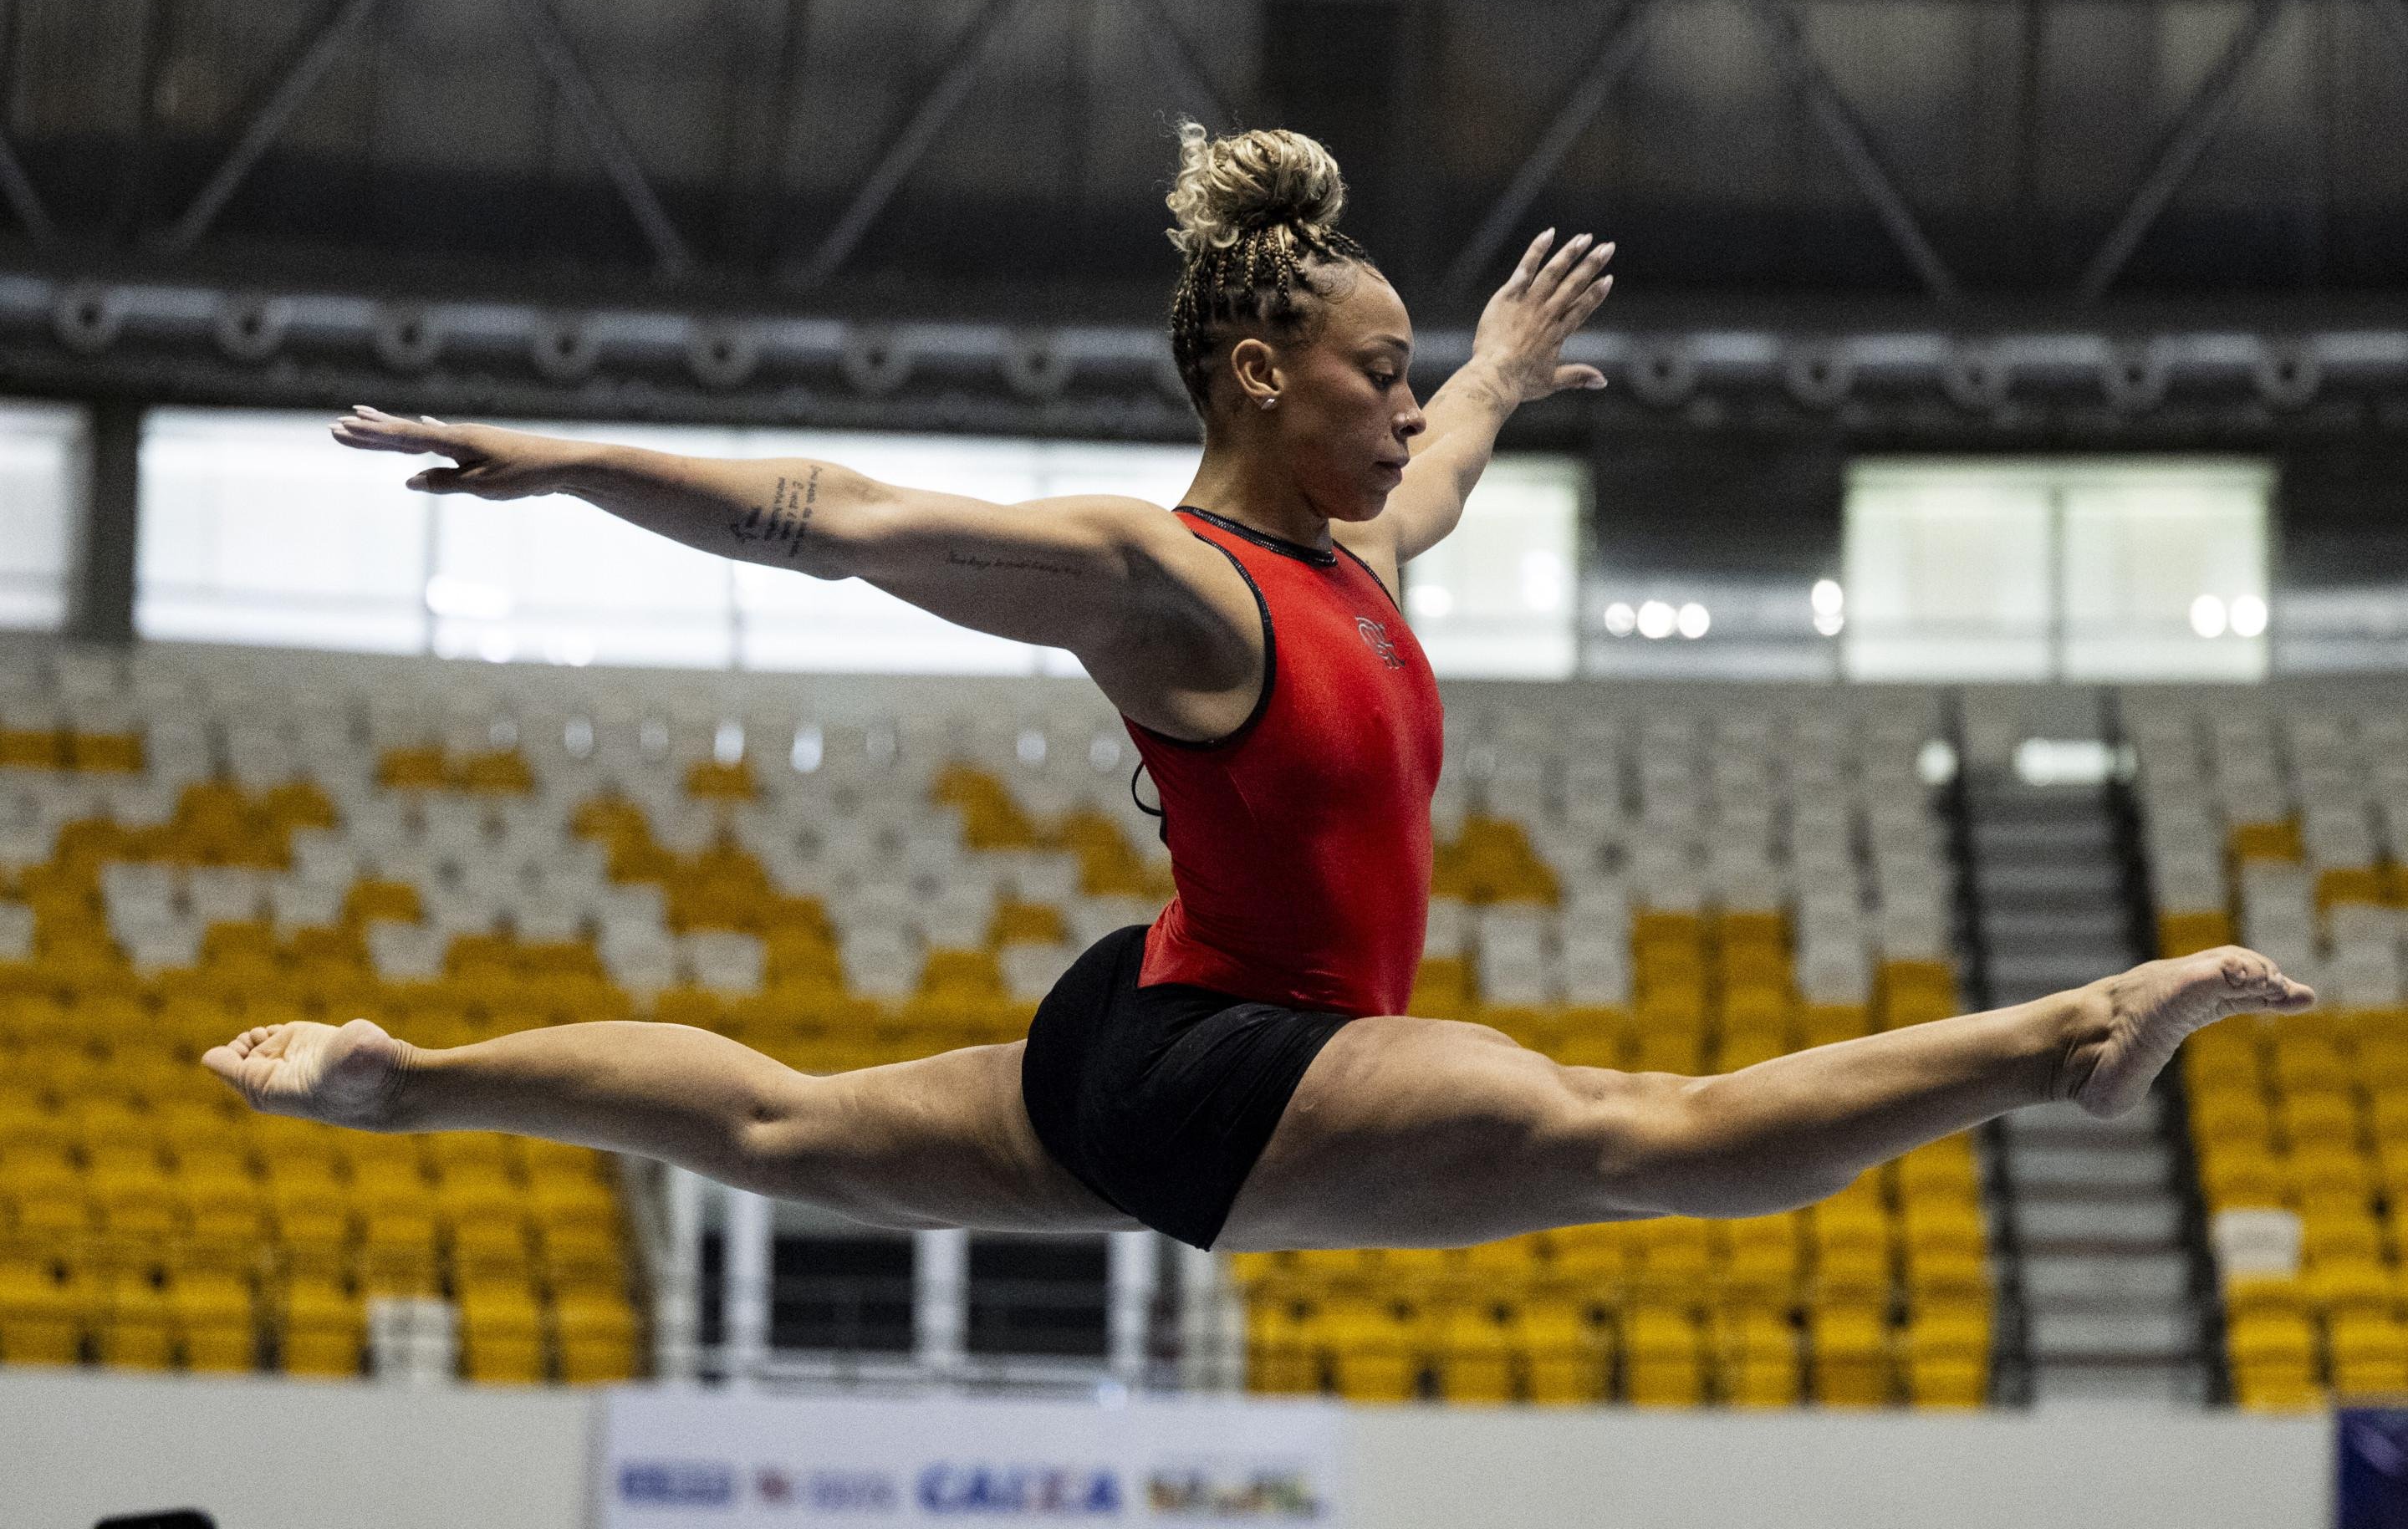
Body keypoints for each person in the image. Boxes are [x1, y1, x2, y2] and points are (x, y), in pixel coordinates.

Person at [206, 122, 2314, 1256]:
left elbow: (1453, 452)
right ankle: (2067, 1039)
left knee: (788, 1125)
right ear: (1256, 377)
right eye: (1374, 376)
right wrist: (571, 459)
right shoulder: (1174, 590)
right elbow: (830, 514)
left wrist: (1494, 371)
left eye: (1407, 378)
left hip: (1161, 1028)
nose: (1405, 408)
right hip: (1235, 1057)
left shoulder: (1361, 557)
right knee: (1630, 1136)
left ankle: (408, 1079)